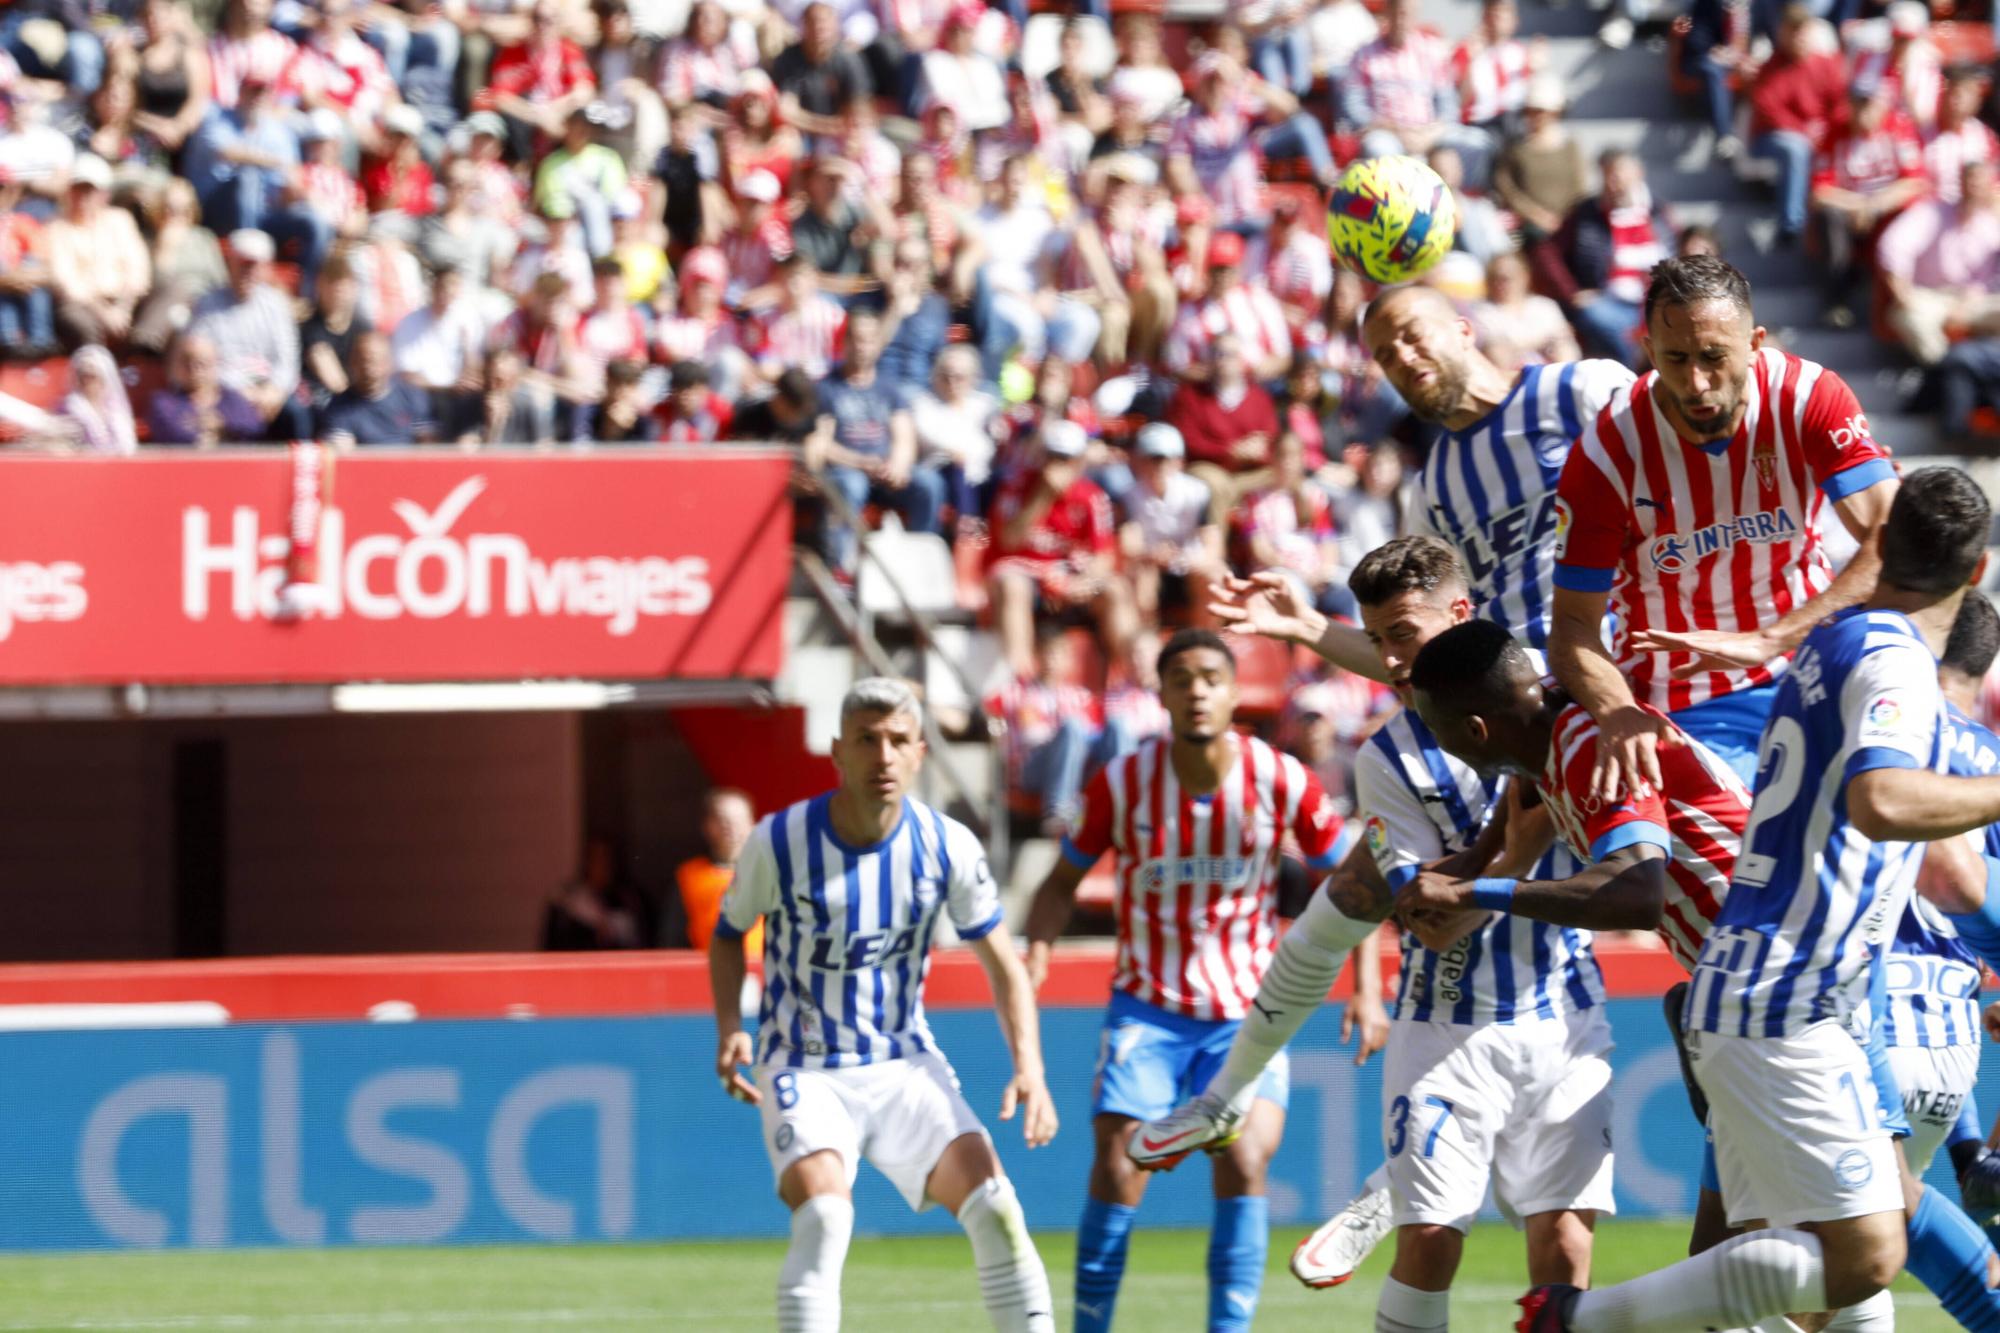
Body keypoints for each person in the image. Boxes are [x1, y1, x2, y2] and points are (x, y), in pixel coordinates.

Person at [1519, 467, 2000, 1333]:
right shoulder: (1893, 656)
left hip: (1766, 983)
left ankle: (1577, 1319)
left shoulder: (1832, 643)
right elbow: (1882, 801)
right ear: (1976, 572)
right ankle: (1572, 1320)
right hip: (1791, 995)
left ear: (1880, 546)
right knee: (1866, 1254)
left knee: (1796, 1261)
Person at [1125, 546, 1609, 1328]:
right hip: (1447, 1020)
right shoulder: (1388, 755)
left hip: (1565, 1012)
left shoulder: (1555, 695)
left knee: (1564, 1247)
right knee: (1429, 1244)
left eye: (1400, 634)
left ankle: (1361, 1163)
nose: (1387, 657)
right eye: (1376, 638)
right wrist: (1515, 851)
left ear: (1461, 615)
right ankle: (1256, 1113)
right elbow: (1433, 919)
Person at [709, 676, 1058, 1333]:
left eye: (898, 739)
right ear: (838, 752)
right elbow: (728, 938)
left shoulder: (947, 845)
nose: (884, 755)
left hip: (903, 1065)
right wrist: (731, 1027)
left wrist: (1030, 1067)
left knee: (998, 1208)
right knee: (825, 1216)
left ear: (921, 752)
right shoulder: (778, 841)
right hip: (804, 1067)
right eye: (867, 740)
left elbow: (1006, 968)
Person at [1023, 628, 1347, 1333]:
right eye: (1181, 678)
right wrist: (1037, 950)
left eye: (1210, 676)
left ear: (1235, 692)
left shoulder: (1282, 777)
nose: (1197, 690)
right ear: (1161, 694)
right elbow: (1058, 883)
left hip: (1248, 1015)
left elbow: (1352, 882)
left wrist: (1374, 993)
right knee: (1117, 1167)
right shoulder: (1122, 782)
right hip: (1148, 1007)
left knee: (1246, 1156)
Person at [1549, 254, 1899, 793]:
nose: (1696, 382)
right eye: (1676, 358)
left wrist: (1772, 638)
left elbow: (1893, 539)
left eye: (1715, 357)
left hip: (1809, 660)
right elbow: (1573, 627)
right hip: (1687, 703)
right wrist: (1616, 708)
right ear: (1647, 351)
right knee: (1751, 854)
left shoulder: (1809, 398)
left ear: (1756, 344)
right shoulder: (1606, 452)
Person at [985, 420, 1135, 684]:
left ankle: (1133, 678)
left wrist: (1082, 583)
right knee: (1012, 585)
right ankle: (1019, 681)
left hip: (1071, 577)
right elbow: (1009, 540)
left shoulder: (1092, 496)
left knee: (1116, 589)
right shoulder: (1016, 487)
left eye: (1066, 458)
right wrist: (1043, 496)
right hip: (1028, 576)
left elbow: (1103, 557)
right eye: (1053, 455)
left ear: (1079, 461)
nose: (1057, 464)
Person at [812, 306, 945, 569]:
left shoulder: (890, 388)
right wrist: (861, 462)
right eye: (857, 339)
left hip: (886, 472)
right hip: (847, 470)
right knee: (850, 485)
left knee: (929, 484)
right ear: (846, 342)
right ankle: (840, 568)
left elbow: (904, 434)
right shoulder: (827, 388)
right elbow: (821, 443)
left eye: (869, 339)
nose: (863, 346)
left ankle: (920, 566)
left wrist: (899, 464)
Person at [1810, 82, 1926, 329]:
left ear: (1882, 106)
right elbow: (1819, 193)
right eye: (1857, 103)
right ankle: (1837, 300)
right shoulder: (1835, 134)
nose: (1863, 110)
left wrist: (1875, 206)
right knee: (1829, 217)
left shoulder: (1898, 129)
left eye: (1869, 103)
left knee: (1912, 216)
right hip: (1849, 211)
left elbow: (1914, 181)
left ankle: (1898, 304)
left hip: (1887, 210)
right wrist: (1860, 206)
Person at [984, 624, 1111, 837]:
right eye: (1047, 653)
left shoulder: (1081, 697)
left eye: (1058, 654)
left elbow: (1096, 737)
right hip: (1031, 768)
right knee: (1071, 730)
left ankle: (1120, 808)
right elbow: (1028, 733)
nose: (1052, 660)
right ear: (1037, 655)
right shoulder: (1016, 692)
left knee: (1115, 729)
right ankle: (1058, 812)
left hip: (1075, 764)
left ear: (1068, 659)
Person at [1876, 160, 2000, 369]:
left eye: (1980, 183)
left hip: (1977, 298)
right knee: (1908, 318)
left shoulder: (1993, 221)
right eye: (1970, 182)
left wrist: (1971, 299)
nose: (1975, 188)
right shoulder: (1931, 212)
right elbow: (1893, 246)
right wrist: (1902, 294)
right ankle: (1948, 372)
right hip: (1930, 296)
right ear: (1960, 183)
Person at [1558, 148, 1672, 368]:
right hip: (1611, 300)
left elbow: (1675, 250)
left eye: (1619, 175)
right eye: (1608, 176)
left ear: (1637, 173)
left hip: (1655, 298)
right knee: (1594, 314)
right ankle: (1641, 367)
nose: (1613, 183)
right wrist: (1570, 291)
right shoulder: (1587, 212)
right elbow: (1549, 253)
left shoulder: (1658, 211)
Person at [189, 228, 308, 439]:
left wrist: (275, 391)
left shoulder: (276, 305)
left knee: (296, 413)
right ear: (230, 265)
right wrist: (241, 392)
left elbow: (286, 358)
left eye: (254, 266)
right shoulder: (207, 304)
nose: (248, 272)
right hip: (224, 390)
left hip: (268, 390)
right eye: (242, 265)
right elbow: (201, 358)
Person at [1748, 4, 1848, 247]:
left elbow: (1841, 103)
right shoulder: (1772, 67)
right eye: (1791, 31)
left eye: (1801, 31)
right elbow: (1766, 107)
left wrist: (1825, 127)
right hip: (1771, 139)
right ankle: (1792, 224)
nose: (1797, 38)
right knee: (1796, 148)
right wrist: (1805, 131)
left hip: (1821, 136)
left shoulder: (1826, 64)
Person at [1119, 422, 1223, 631]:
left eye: (1164, 458)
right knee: (1140, 578)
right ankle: (1146, 644)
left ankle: (1205, 638)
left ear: (1178, 461)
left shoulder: (1198, 492)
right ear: (1140, 461)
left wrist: (1188, 560)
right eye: (1152, 458)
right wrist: (1152, 555)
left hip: (1190, 563)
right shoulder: (1128, 495)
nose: (1158, 466)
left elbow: (1214, 547)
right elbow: (1129, 546)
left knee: (1215, 575)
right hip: (1150, 566)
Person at [44, 154, 150, 349]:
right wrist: (104, 312)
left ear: (104, 195)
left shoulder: (120, 220)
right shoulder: (56, 227)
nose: (82, 197)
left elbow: (137, 267)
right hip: (83, 305)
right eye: (77, 189)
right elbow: (66, 281)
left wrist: (123, 308)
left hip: (124, 300)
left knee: (165, 304)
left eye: (89, 191)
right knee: (79, 322)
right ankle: (96, 369)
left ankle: (144, 357)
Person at [319, 328, 438, 446]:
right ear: (352, 363)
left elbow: (427, 445)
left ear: (389, 363)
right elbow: (342, 451)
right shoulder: (340, 407)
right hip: (364, 463)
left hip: (407, 462)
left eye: (375, 361)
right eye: (363, 361)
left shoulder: (412, 397)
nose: (369, 369)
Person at [148, 330, 268, 447]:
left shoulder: (233, 400)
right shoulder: (164, 402)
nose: (195, 370)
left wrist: (223, 426)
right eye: (187, 362)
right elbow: (169, 432)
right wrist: (201, 437)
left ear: (215, 364)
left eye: (202, 363)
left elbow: (255, 429)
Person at [675, 788, 758, 953]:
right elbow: (672, 936)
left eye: (739, 821)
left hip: (761, 972)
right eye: (723, 820)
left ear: (752, 824)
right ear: (707, 826)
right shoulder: (690, 876)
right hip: (705, 971)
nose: (731, 828)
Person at [542, 838, 651, 950]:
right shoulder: (566, 902)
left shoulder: (628, 901)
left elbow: (638, 942)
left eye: (606, 860)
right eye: (596, 859)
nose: (601, 867)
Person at [57, 344, 136, 455]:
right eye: (83, 376)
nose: (87, 382)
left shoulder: (117, 409)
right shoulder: (68, 407)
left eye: (92, 376)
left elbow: (127, 447)